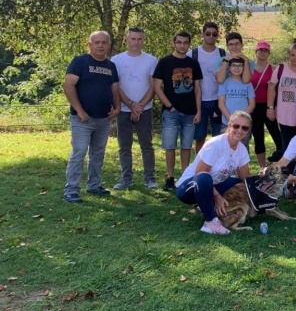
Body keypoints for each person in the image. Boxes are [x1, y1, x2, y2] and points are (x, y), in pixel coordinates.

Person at [62, 31, 121, 203]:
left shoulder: (111, 66)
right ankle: (71, 190)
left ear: (108, 45)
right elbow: (68, 86)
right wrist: (79, 110)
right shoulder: (80, 62)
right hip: (82, 119)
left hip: (104, 118)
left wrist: (117, 107)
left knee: (98, 153)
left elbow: (115, 88)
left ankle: (94, 185)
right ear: (89, 44)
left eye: (104, 42)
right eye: (97, 42)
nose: (100, 45)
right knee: (79, 152)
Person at [175, 111, 253, 235]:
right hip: (189, 188)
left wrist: (264, 181)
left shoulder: (241, 149)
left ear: (248, 131)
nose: (240, 130)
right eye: (236, 126)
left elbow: (245, 177)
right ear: (229, 126)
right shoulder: (215, 144)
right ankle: (210, 223)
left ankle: (209, 206)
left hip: (212, 184)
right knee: (204, 177)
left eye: (244, 127)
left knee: (238, 182)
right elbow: (199, 173)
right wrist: (217, 197)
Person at [153, 31, 203, 191]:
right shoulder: (164, 62)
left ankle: (185, 177)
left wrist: (199, 111)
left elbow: (197, 89)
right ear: (173, 43)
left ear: (189, 44)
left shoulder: (193, 64)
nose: (182, 45)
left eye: (185, 42)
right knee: (170, 146)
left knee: (186, 146)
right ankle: (170, 178)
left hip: (190, 112)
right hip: (171, 112)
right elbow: (157, 87)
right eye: (179, 42)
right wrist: (169, 106)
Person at [111, 27, 158, 189]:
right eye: (133, 39)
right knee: (124, 146)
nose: (136, 42)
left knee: (146, 145)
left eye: (139, 39)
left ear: (143, 41)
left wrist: (140, 106)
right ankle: (126, 178)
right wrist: (131, 104)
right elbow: (115, 87)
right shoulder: (116, 60)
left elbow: (154, 86)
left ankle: (150, 178)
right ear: (127, 40)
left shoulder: (151, 60)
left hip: (145, 109)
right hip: (123, 110)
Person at [191, 22, 226, 154]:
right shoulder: (192, 53)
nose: (211, 36)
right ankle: (199, 162)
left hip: (218, 101)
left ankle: (217, 163)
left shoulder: (223, 54)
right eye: (208, 33)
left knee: (219, 136)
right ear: (202, 35)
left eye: (214, 34)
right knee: (200, 136)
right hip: (198, 101)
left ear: (217, 36)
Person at [249, 41, 283, 167]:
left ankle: (280, 165)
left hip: (269, 106)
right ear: (256, 52)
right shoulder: (249, 68)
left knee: (278, 136)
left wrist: (273, 107)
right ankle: (262, 168)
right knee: (258, 138)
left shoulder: (273, 69)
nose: (262, 52)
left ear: (269, 53)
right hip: (254, 106)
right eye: (260, 50)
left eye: (265, 50)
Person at [218, 58, 256, 147]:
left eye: (239, 66)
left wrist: (241, 119)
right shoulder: (224, 83)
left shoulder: (248, 84)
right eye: (234, 65)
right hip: (227, 122)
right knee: (226, 147)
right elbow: (221, 104)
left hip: (244, 124)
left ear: (244, 68)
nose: (237, 68)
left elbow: (252, 104)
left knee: (243, 147)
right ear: (229, 68)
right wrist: (231, 119)